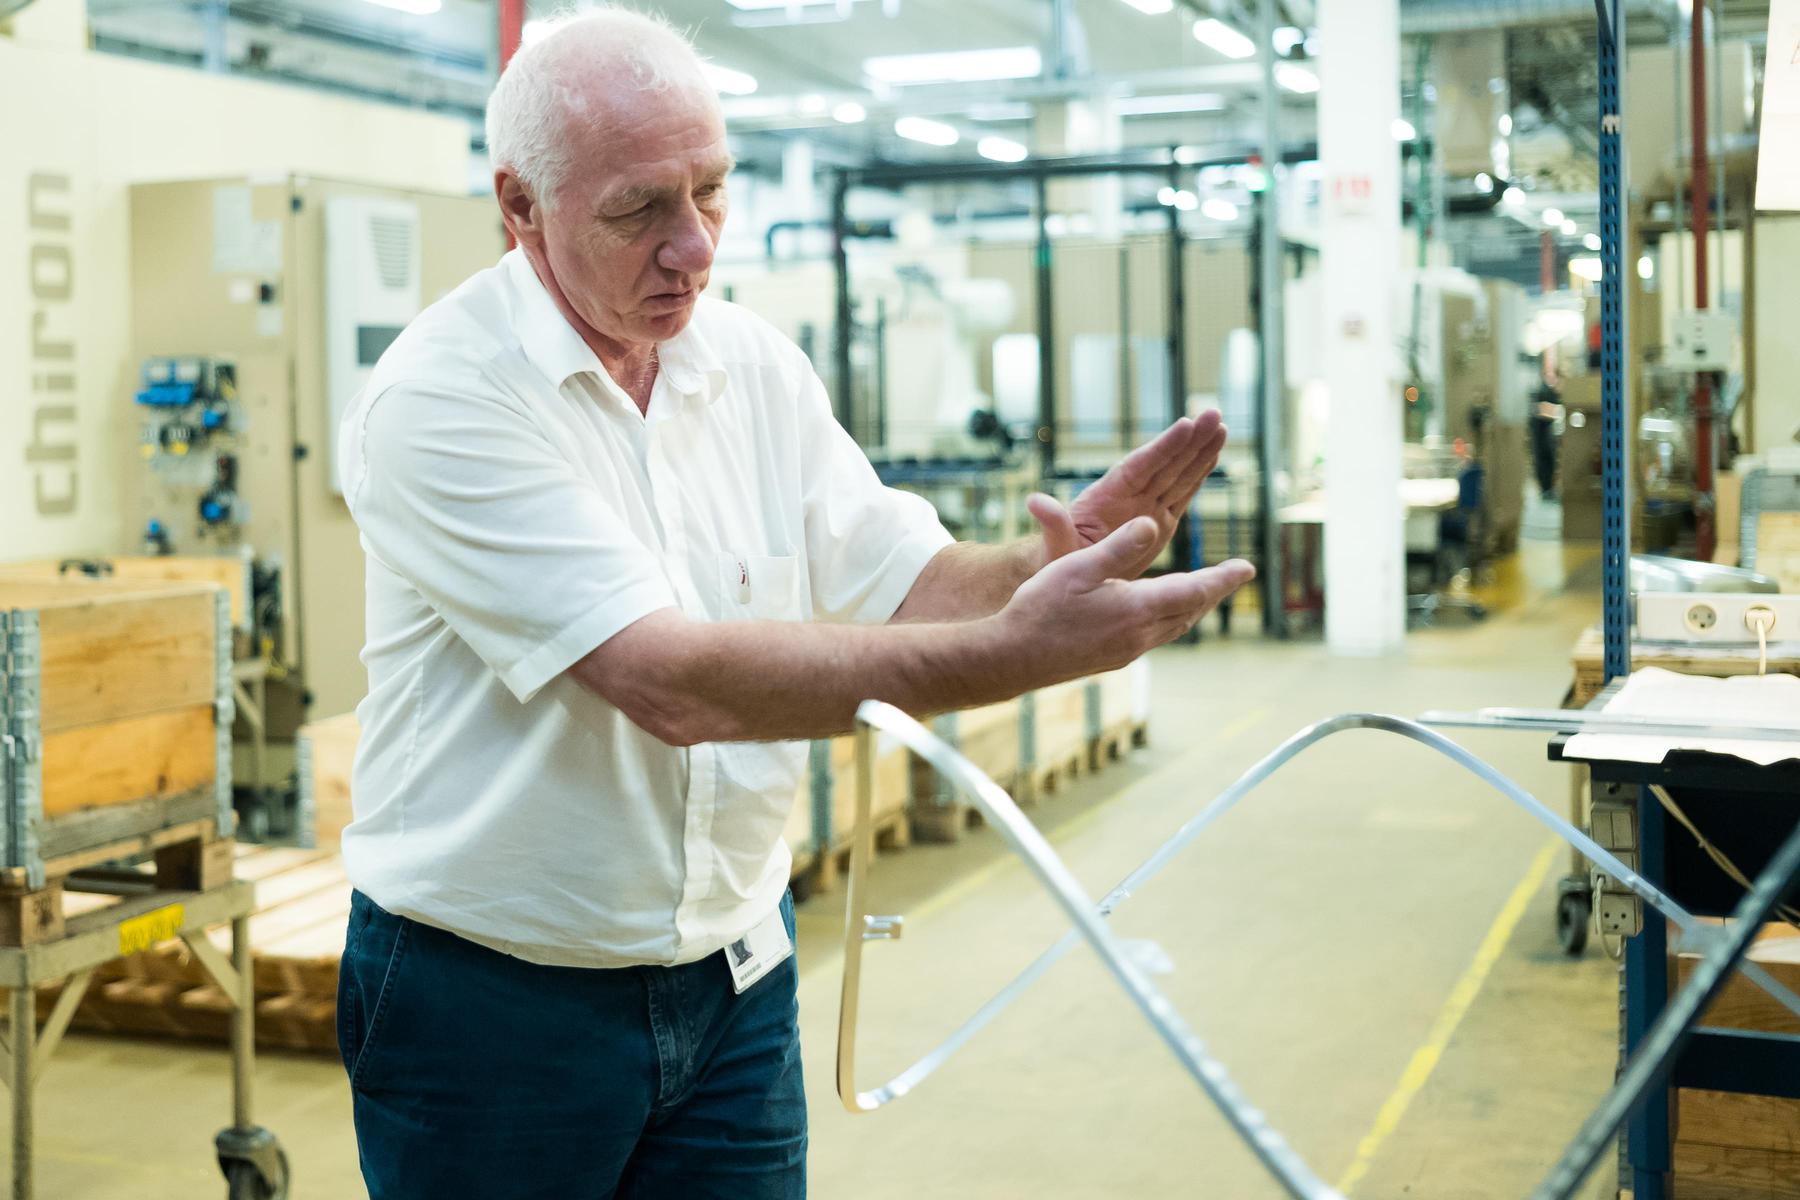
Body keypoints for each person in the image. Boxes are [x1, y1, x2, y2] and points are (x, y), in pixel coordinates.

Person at [332, 9, 1252, 1199]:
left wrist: (1047, 566)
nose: (693, 247)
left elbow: (909, 581)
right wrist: (1014, 657)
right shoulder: (443, 398)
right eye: (638, 209)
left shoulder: (750, 365)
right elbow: (671, 682)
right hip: (495, 1007)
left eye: (712, 191)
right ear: (520, 206)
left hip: (734, 981)